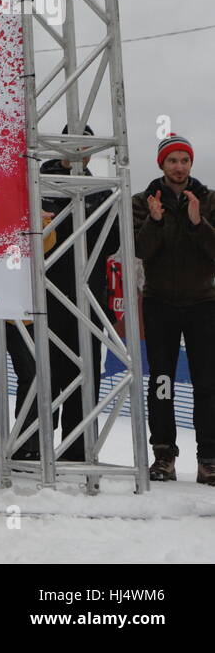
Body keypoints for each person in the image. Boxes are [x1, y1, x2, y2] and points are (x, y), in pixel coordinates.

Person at [9, 130, 119, 461]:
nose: (78, 151)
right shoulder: (34, 181)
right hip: (42, 297)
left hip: (87, 298)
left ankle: (77, 448)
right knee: (40, 373)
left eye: (85, 145)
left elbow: (112, 244)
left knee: (84, 373)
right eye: (71, 143)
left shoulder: (100, 191)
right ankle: (31, 444)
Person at [131, 134, 215, 485]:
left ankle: (208, 459)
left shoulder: (209, 201)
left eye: (184, 160)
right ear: (161, 165)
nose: (179, 167)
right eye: (172, 161)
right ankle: (164, 455)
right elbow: (139, 250)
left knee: (207, 383)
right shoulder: (142, 201)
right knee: (162, 382)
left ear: (191, 164)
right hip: (159, 303)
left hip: (202, 304)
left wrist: (198, 223)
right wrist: (155, 220)